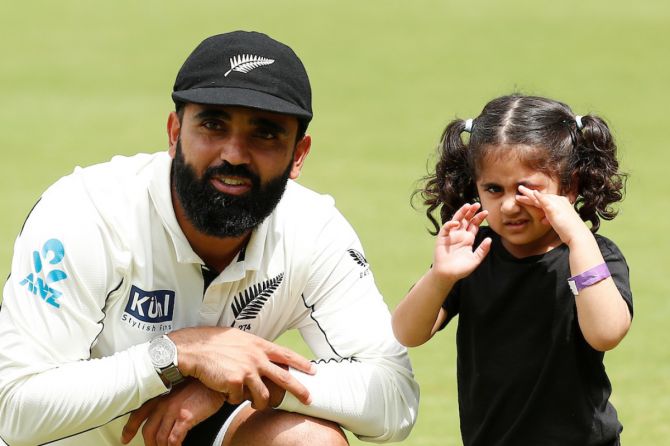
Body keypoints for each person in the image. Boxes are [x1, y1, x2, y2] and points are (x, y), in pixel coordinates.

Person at [0, 31, 419, 446]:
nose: (234, 154)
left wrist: (253, 378)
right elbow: (13, 411)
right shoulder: (86, 213)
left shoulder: (314, 230)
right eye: (213, 125)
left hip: (200, 431)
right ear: (173, 132)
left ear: (299, 154)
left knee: (310, 441)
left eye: (266, 133)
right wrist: (175, 355)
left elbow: (394, 396)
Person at [392, 94, 632, 445]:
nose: (508, 205)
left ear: (570, 186)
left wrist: (579, 238)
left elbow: (606, 333)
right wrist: (441, 276)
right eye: (493, 188)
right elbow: (407, 332)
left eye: (526, 189)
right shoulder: (475, 254)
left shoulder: (595, 255)